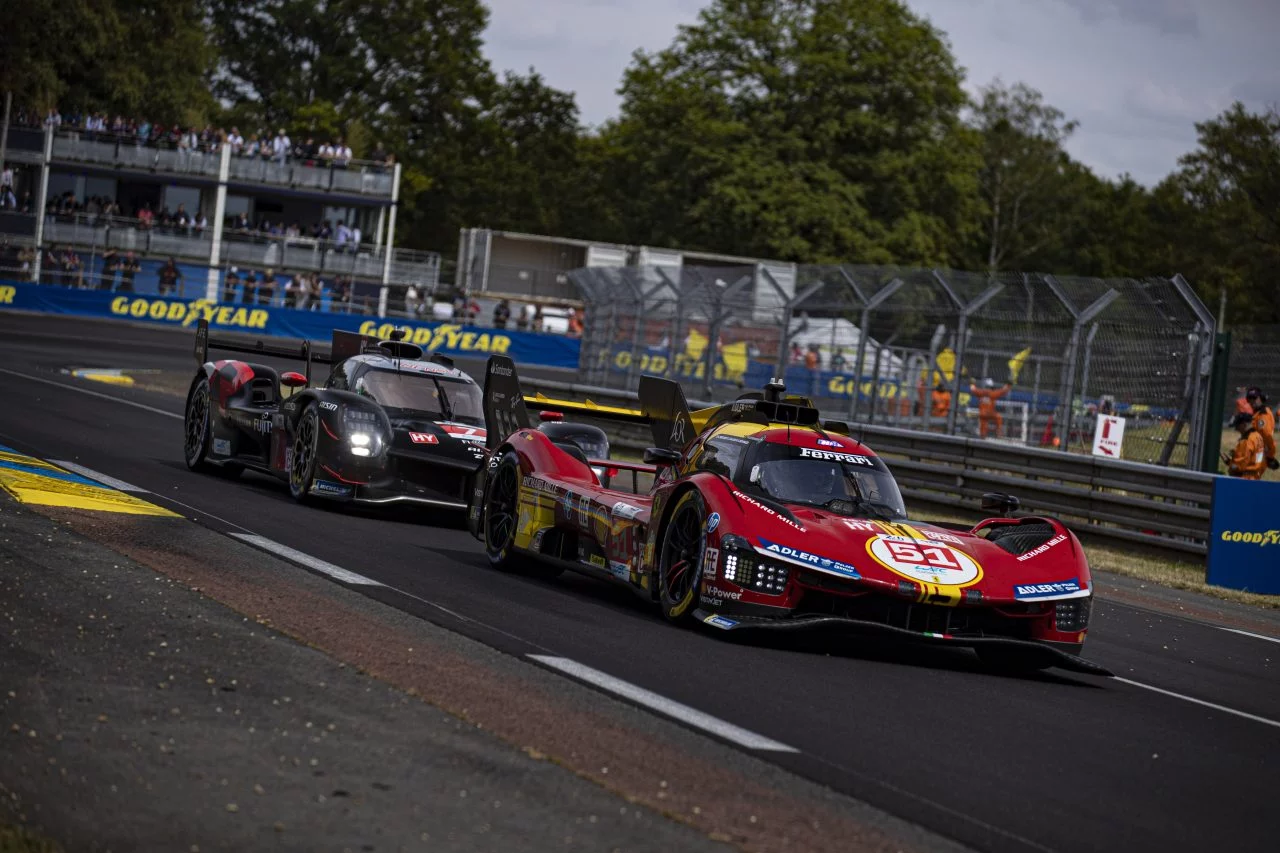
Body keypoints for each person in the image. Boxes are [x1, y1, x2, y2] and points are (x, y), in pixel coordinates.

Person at [1224, 412, 1266, 479]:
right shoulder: (1258, 436)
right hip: (1255, 477)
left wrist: (1230, 463)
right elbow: (1253, 458)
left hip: (1244, 479)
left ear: (1243, 424)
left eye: (1237, 426)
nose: (1236, 429)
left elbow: (1239, 466)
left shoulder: (1246, 440)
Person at [1244, 386, 1278, 471]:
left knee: (1251, 475)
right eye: (1249, 399)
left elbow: (1267, 435)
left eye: (1254, 398)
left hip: (1260, 454)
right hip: (1256, 453)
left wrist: (1270, 456)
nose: (1252, 401)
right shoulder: (1258, 414)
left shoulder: (1263, 415)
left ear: (1261, 398)